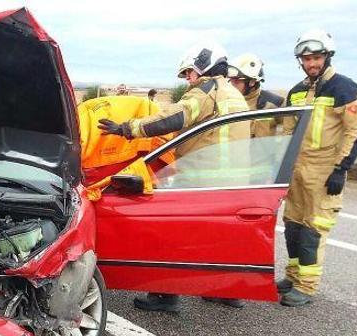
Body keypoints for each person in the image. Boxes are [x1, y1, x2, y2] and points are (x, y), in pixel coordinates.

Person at [99, 41, 249, 313]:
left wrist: (127, 128)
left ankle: (164, 296)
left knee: (171, 233)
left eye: (190, 73)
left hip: (202, 177)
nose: (188, 80)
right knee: (221, 237)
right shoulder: (234, 95)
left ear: (204, 68)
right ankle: (229, 290)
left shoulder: (206, 90)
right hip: (234, 181)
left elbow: (174, 118)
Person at [277, 29, 357, 306]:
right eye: (306, 59)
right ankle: (292, 276)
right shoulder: (296, 92)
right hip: (297, 169)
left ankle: (306, 286)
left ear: (327, 56)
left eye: (316, 57)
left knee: (312, 230)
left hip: (324, 169)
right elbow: (287, 134)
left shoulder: (343, 88)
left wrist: (341, 169)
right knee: (292, 226)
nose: (311, 63)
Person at [227, 53, 284, 137]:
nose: (231, 84)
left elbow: (290, 131)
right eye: (230, 80)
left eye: (236, 81)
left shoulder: (274, 104)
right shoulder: (226, 103)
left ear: (252, 82)